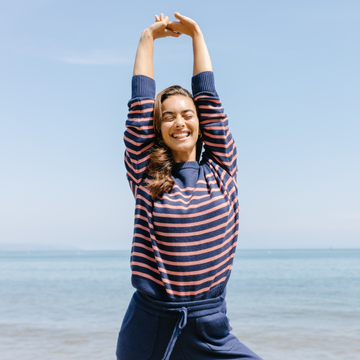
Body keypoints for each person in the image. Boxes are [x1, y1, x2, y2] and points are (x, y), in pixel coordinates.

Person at [117, 12, 263, 360]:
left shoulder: (222, 170)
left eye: (187, 114)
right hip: (149, 329)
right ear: (159, 128)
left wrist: (197, 35)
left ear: (200, 124)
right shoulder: (146, 176)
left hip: (211, 327)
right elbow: (139, 109)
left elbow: (210, 101)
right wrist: (146, 40)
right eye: (168, 116)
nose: (179, 122)